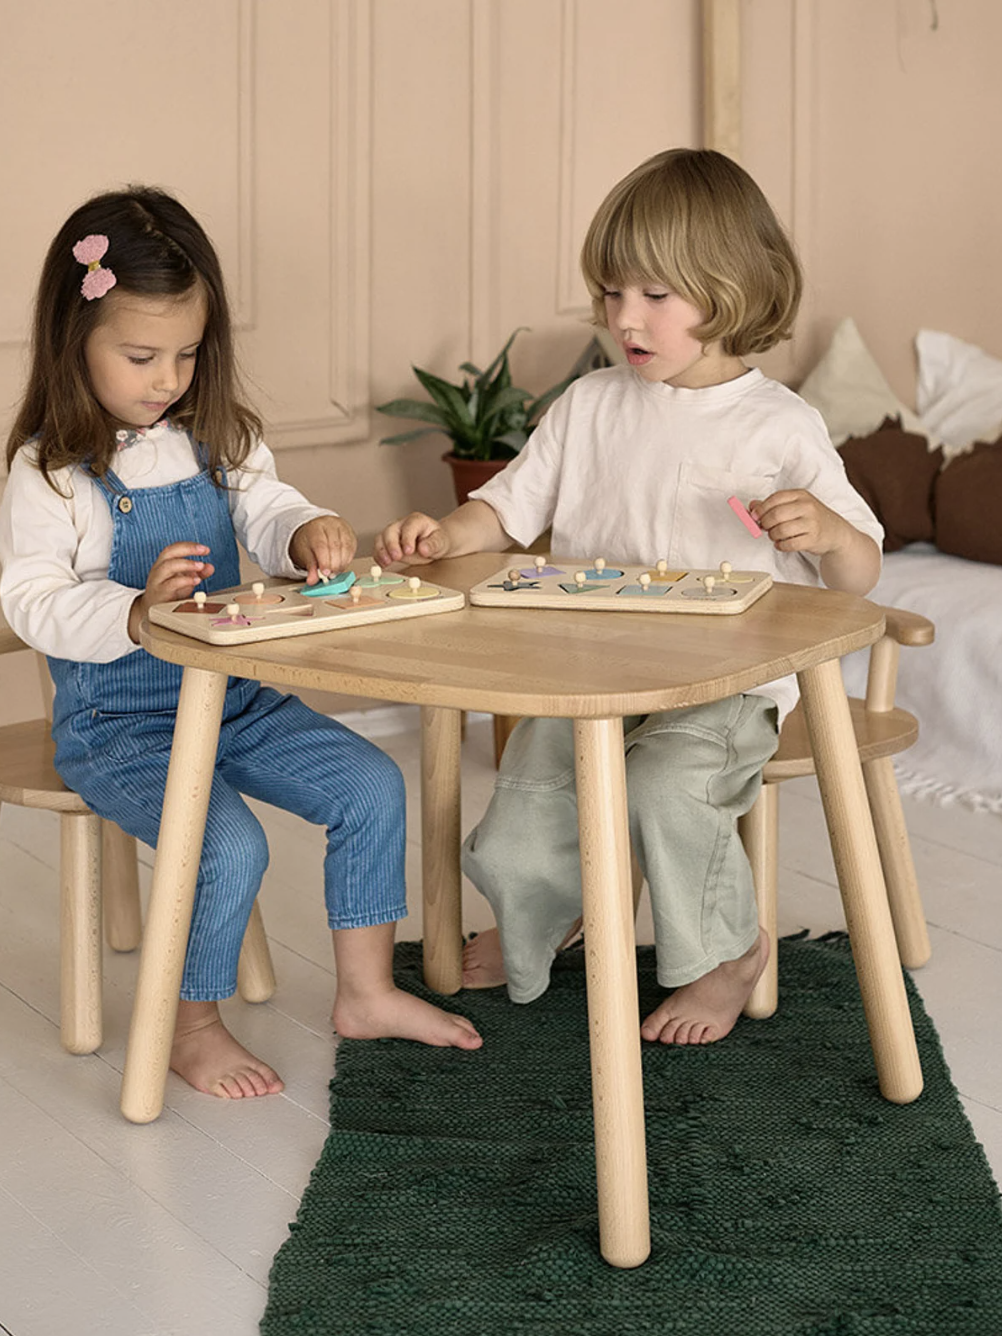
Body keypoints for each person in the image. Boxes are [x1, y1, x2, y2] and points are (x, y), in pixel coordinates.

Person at [376, 148, 883, 1046]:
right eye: (611, 294)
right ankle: (550, 919)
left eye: (654, 296)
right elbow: (507, 509)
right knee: (515, 834)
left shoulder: (780, 424)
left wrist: (831, 535)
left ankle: (728, 953)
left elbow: (860, 575)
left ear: (728, 289)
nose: (624, 318)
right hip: (589, 679)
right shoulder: (588, 406)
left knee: (663, 794)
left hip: (722, 689)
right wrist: (448, 535)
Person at [0, 187, 482, 1100]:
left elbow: (265, 506)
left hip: (239, 697)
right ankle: (192, 1024)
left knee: (372, 786)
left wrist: (305, 531)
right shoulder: (52, 473)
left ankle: (367, 991)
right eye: (141, 356)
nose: (166, 378)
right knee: (226, 845)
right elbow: (31, 600)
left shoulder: (216, 436)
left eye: (186, 354)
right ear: (76, 342)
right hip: (122, 724)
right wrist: (134, 614)